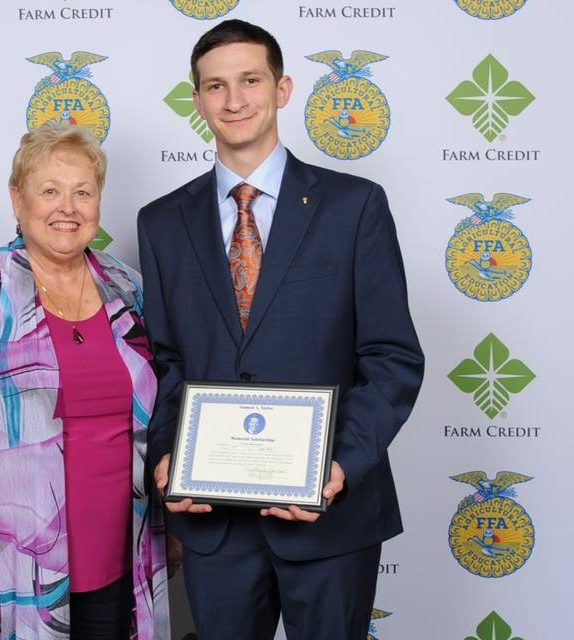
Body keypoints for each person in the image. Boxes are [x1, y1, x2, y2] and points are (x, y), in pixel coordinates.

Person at [137, 20, 424, 640]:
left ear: (283, 87)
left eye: (249, 80)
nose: (234, 100)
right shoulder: (161, 222)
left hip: (330, 515)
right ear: (197, 101)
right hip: (213, 523)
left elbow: (392, 357)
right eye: (215, 86)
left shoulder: (355, 207)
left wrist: (341, 466)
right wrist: (165, 458)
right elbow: (166, 363)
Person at [0, 124, 169, 640]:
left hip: (124, 557)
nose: (67, 208)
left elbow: (162, 415)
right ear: (17, 198)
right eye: (50, 190)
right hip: (14, 565)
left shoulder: (128, 288)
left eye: (83, 192)